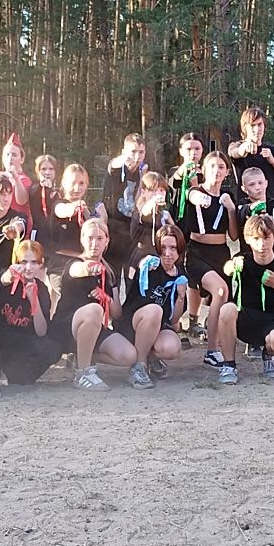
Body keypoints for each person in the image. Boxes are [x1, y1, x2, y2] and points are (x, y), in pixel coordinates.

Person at [51, 219, 146, 391]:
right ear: (82, 240)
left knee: (129, 356)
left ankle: (82, 357)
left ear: (107, 241)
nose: (94, 243)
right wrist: (89, 268)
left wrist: (106, 299)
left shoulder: (109, 272)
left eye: (100, 238)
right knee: (94, 310)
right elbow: (79, 269)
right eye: (90, 238)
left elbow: (117, 313)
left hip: (94, 328)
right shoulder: (74, 264)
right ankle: (83, 373)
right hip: (67, 326)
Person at [214, 215, 274, 384]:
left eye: (266, 237)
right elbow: (228, 269)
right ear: (247, 240)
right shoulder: (242, 261)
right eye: (256, 239)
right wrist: (230, 267)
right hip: (247, 318)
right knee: (227, 309)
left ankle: (269, 356)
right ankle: (229, 364)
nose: (262, 244)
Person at [0, 239, 63, 398]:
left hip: (16, 341)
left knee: (53, 347)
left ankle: (19, 375)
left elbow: (41, 331)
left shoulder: (42, 289)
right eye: (24, 262)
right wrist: (9, 276)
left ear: (41, 264)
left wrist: (34, 300)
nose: (28, 267)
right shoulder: (7, 277)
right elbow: (3, 280)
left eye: (34, 262)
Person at [175, 152, 238, 371]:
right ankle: (212, 351)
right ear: (203, 169)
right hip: (197, 253)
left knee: (224, 300)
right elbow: (190, 194)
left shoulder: (228, 196)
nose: (216, 171)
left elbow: (234, 235)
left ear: (227, 172)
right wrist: (196, 196)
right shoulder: (196, 192)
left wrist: (231, 209)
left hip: (221, 252)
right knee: (220, 290)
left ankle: (219, 343)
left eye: (221, 167)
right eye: (212, 166)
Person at [121, 224, 188, 380]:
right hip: (134, 320)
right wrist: (143, 263)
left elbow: (173, 320)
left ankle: (149, 356)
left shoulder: (180, 275)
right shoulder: (150, 265)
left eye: (173, 248)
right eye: (163, 247)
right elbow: (139, 263)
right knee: (155, 310)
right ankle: (139, 365)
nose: (167, 253)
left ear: (179, 249)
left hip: (158, 325)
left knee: (171, 348)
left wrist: (181, 296)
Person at [167, 132, 205, 343]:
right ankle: (172, 321)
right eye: (189, 149)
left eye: (197, 149)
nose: (193, 153)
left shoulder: (207, 172)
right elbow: (173, 183)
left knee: (194, 278)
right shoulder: (174, 172)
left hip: (199, 233)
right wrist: (186, 172)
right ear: (181, 151)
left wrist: (197, 179)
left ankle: (194, 320)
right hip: (177, 232)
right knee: (176, 275)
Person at [101, 133, 147, 274]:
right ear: (124, 152)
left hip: (132, 232)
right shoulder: (116, 169)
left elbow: (141, 200)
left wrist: (143, 177)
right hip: (114, 231)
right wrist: (124, 158)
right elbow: (113, 164)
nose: (137, 157)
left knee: (132, 277)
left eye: (141, 152)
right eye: (133, 151)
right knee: (112, 276)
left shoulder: (143, 171)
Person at [227, 107, 274, 203]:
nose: (257, 129)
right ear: (245, 128)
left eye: (260, 124)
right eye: (252, 125)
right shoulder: (236, 146)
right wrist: (245, 149)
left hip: (271, 206)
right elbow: (235, 152)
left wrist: (273, 161)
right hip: (248, 207)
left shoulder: (272, 151)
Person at [234, 166, 274, 256]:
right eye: (252, 184)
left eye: (260, 183)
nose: (257, 187)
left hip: (273, 256)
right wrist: (251, 209)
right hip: (249, 256)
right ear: (244, 188)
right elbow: (237, 224)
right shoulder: (241, 206)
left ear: (266, 183)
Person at [127, 171, 173, 275]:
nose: (158, 194)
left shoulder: (164, 214)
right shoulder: (139, 212)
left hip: (160, 259)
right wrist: (153, 202)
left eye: (161, 190)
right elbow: (145, 212)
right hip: (139, 262)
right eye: (153, 190)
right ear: (143, 192)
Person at [30, 153, 59, 243]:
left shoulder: (58, 191)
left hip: (55, 235)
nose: (47, 172)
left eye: (51, 169)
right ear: (37, 171)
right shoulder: (34, 190)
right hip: (39, 235)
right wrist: (45, 188)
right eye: (43, 169)